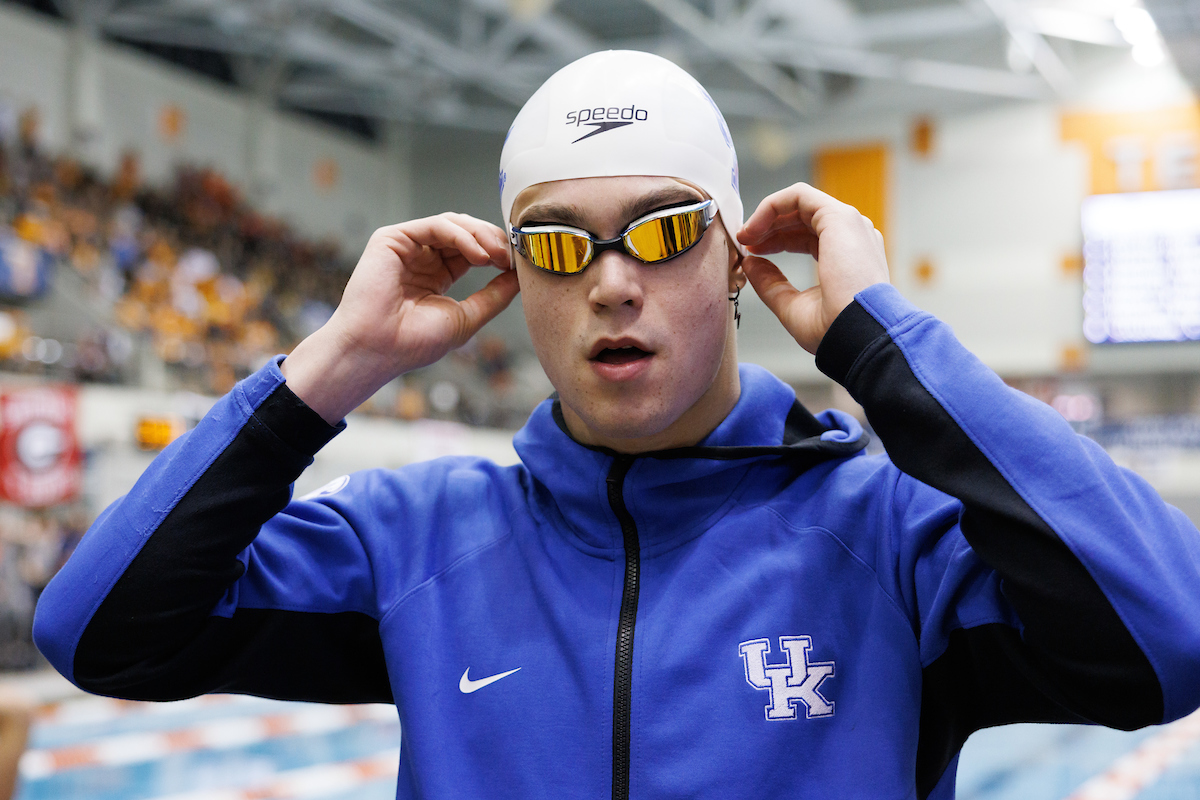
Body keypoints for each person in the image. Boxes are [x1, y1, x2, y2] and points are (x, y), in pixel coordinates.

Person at [31, 51, 1200, 800]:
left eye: (664, 229)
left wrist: (882, 344)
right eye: (555, 242)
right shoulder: (418, 539)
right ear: (514, 278)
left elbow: (1173, 637)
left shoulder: (894, 544)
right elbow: (98, 631)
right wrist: (330, 368)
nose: (610, 281)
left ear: (737, 258)